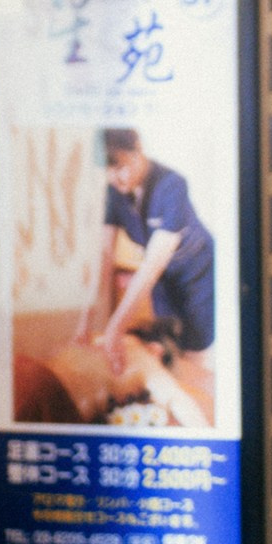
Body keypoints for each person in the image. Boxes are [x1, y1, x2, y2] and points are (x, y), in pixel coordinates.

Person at [78, 129, 217, 423]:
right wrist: (84, 321)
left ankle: (203, 421)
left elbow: (152, 263)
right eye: (108, 171)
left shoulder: (171, 185)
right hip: (163, 282)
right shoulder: (114, 193)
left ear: (139, 149)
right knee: (172, 358)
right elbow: (102, 257)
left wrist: (116, 327)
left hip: (197, 277)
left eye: (121, 166)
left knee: (195, 359)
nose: (117, 178)